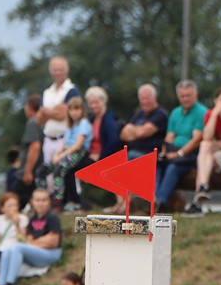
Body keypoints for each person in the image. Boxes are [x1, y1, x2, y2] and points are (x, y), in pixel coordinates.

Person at [112, 84, 169, 213]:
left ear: (155, 98)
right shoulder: (139, 114)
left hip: (150, 155)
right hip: (133, 152)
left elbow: (142, 133)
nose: (144, 102)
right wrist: (136, 131)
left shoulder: (161, 115)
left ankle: (127, 203)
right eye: (142, 99)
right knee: (117, 161)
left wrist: (134, 131)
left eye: (147, 98)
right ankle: (120, 203)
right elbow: (123, 134)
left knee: (132, 159)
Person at [186, 86, 221, 215]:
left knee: (204, 160)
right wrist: (215, 114)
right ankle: (203, 187)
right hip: (216, 155)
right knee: (205, 146)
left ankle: (197, 201)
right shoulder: (211, 114)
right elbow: (207, 137)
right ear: (215, 101)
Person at [155, 80, 208, 210]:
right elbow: (169, 137)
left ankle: (161, 202)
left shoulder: (201, 112)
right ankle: (152, 200)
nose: (185, 99)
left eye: (188, 95)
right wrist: (164, 153)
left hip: (191, 155)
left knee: (173, 167)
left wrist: (179, 154)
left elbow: (197, 139)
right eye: (182, 96)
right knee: (157, 164)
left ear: (196, 95)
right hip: (174, 152)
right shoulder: (175, 112)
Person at [0, 188, 62, 285]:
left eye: (44, 200)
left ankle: (11, 282)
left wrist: (34, 242)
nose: (40, 204)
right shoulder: (33, 219)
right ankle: (1, 283)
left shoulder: (52, 218)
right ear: (32, 202)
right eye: (38, 200)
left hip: (51, 253)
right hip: (37, 252)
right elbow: (27, 240)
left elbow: (53, 242)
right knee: (7, 250)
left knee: (17, 247)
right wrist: (42, 240)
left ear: (49, 202)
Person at [36, 57, 81, 184]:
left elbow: (63, 115)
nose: (57, 73)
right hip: (48, 139)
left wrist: (46, 111)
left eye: (60, 70)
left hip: (65, 139)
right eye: (55, 70)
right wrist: (54, 111)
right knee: (49, 177)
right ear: (51, 71)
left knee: (66, 176)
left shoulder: (72, 90)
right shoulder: (47, 92)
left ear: (67, 70)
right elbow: (39, 119)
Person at [50, 96, 92, 211]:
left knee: (59, 170)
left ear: (82, 110)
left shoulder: (83, 123)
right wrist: (56, 155)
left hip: (77, 151)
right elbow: (64, 143)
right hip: (67, 151)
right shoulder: (70, 125)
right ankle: (43, 198)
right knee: (43, 170)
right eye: (71, 109)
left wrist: (60, 156)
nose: (74, 112)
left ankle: (58, 200)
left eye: (77, 109)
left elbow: (77, 146)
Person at [9, 95, 45, 210]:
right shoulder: (43, 122)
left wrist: (28, 171)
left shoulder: (32, 123)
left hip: (31, 171)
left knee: (12, 200)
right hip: (40, 170)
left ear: (29, 107)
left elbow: (35, 147)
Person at [84, 86, 121, 163]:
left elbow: (113, 142)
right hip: (89, 156)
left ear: (103, 101)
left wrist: (100, 159)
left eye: (96, 102)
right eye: (91, 103)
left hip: (102, 159)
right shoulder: (91, 119)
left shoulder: (109, 119)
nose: (93, 106)